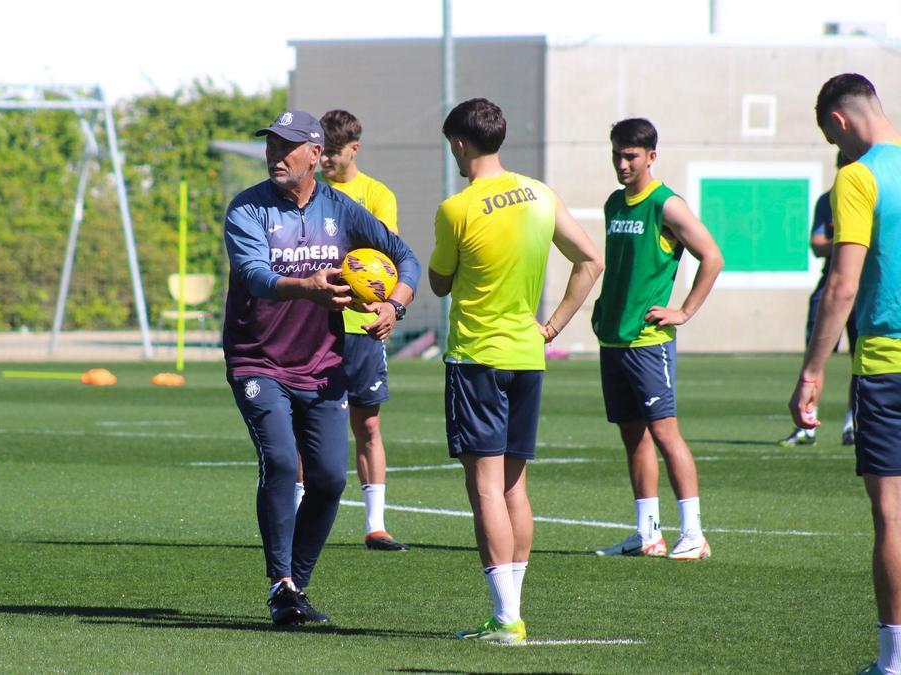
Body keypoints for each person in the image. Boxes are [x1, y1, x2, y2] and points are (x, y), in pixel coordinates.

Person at [224, 109, 419, 626]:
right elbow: (256, 276)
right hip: (258, 359)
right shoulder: (247, 210)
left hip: (321, 364)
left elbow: (406, 257)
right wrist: (308, 286)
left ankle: (297, 587)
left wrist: (392, 305)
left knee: (332, 478)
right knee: (285, 464)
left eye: (286, 146)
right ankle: (280, 582)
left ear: (315, 153)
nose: (274, 155)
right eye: (270, 145)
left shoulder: (342, 209)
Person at [429, 97, 603, 643]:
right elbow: (590, 259)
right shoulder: (540, 194)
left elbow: (438, 282)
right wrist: (551, 327)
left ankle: (506, 619)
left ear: (460, 143)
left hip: (478, 358)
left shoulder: (456, 208)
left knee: (484, 490)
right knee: (514, 487)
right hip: (528, 355)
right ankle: (511, 612)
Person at [790, 73, 901, 675]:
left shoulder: (857, 178)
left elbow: (841, 283)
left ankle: (893, 662)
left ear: (838, 122)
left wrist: (812, 371)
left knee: (892, 516)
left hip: (887, 366)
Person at [591, 118, 724, 561]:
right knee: (633, 437)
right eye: (617, 155)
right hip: (614, 339)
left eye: (631, 156)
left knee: (666, 433)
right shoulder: (614, 204)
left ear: (651, 157)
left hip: (649, 342)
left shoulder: (667, 205)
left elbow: (712, 257)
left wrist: (683, 311)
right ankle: (648, 533)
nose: (622, 164)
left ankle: (694, 534)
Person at [310, 108, 407, 551]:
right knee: (303, 423)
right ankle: (295, 517)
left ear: (354, 149)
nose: (325, 161)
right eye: (320, 153)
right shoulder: (309, 195)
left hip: (363, 326)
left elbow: (384, 256)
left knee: (367, 425)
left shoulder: (377, 195)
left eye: (332, 153)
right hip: (315, 323)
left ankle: (375, 525)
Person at [779, 151, 858, 447]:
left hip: (865, 288)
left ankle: (854, 424)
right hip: (830, 285)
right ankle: (806, 425)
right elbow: (817, 244)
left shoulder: (872, 197)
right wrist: (848, 241)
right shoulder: (828, 200)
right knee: (817, 355)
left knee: (860, 360)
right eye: (843, 164)